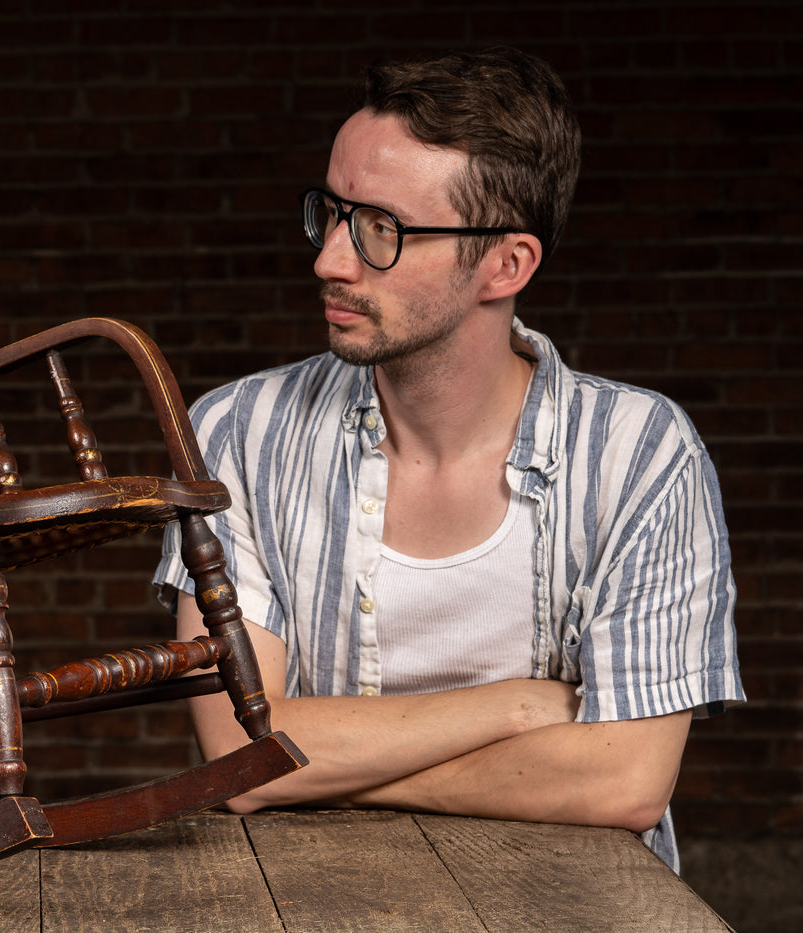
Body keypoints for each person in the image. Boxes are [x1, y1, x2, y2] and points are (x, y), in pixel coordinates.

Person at [153, 46, 743, 871]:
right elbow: (238, 750)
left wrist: (314, 765)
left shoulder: (641, 456)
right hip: (310, 900)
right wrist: (525, 708)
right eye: (331, 211)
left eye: (382, 230)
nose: (329, 258)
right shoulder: (239, 434)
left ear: (506, 265)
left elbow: (628, 781)